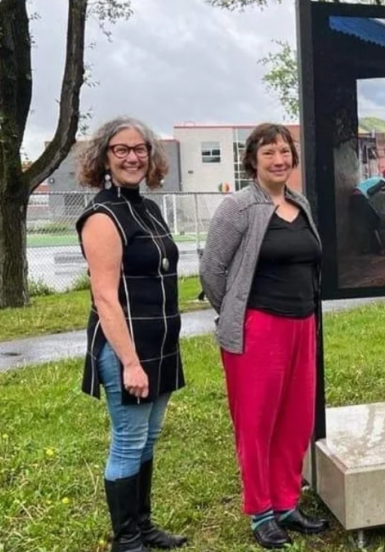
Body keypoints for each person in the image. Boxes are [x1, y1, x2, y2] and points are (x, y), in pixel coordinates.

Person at [199, 123, 328, 549]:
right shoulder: (238, 208)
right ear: (252, 159)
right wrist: (239, 313)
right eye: (269, 152)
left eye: (285, 151)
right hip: (259, 330)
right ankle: (261, 511)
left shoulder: (300, 203)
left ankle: (287, 501)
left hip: (302, 324)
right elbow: (212, 271)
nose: (279, 160)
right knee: (257, 423)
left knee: (296, 419)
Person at [75, 116, 188, 552]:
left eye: (139, 148)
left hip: (160, 342)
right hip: (127, 348)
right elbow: (105, 298)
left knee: (149, 436)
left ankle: (143, 526)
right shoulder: (102, 216)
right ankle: (126, 540)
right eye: (120, 149)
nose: (131, 157)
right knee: (128, 440)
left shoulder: (147, 207)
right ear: (104, 157)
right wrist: (130, 363)